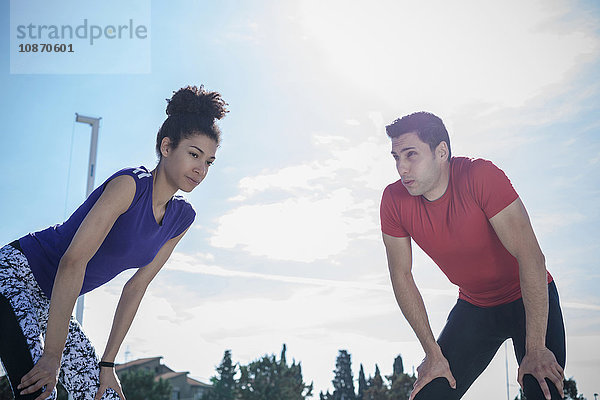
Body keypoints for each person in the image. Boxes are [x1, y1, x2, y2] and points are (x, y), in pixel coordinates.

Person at [0, 85, 228, 400]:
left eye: (209, 162)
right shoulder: (129, 185)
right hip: (16, 276)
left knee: (103, 394)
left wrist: (108, 364)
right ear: (166, 147)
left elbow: (136, 287)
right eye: (194, 154)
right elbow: (73, 261)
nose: (201, 169)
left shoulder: (181, 218)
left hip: (54, 300)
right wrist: (52, 354)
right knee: (39, 389)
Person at [380, 112, 566, 400]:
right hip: (476, 307)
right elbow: (401, 275)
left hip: (529, 296)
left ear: (441, 152)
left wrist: (537, 348)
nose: (401, 168)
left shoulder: (481, 176)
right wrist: (433, 353)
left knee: (541, 388)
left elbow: (531, 258)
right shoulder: (393, 201)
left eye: (411, 155)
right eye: (395, 157)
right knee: (431, 394)